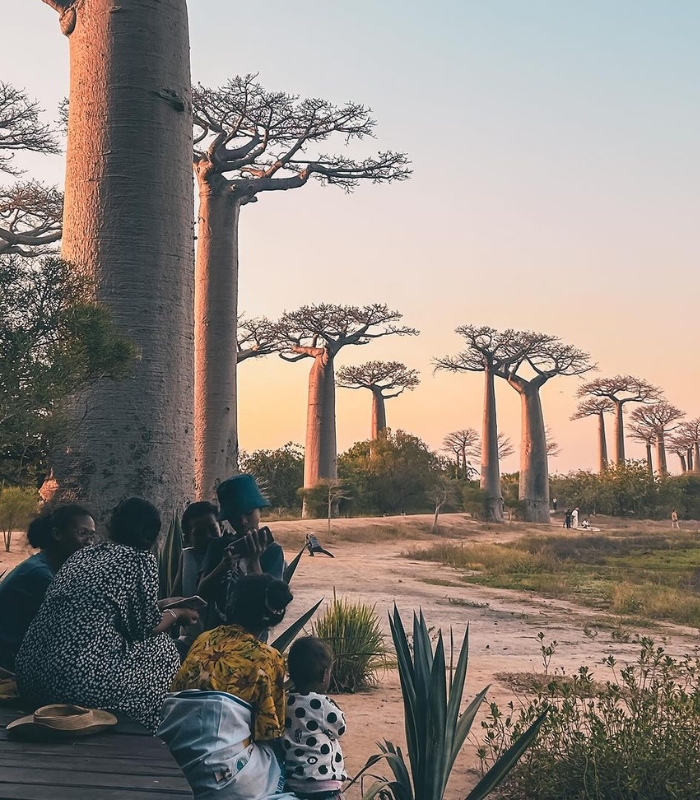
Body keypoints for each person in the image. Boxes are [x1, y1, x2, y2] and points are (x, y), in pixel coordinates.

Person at [15, 497, 198, 732]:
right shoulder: (139, 560)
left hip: (29, 678)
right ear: (152, 534)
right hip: (73, 686)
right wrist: (177, 612)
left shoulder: (83, 555)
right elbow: (143, 628)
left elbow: (106, 610)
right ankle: (145, 721)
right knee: (162, 649)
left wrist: (162, 604)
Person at [159, 573, 296, 800]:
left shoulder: (205, 639)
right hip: (222, 773)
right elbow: (270, 730)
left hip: (179, 756)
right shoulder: (268, 658)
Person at [0, 504, 95, 672]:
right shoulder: (39, 574)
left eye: (92, 535)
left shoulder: (51, 569)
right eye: (82, 533)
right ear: (57, 534)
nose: (89, 541)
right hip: (8, 660)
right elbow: (82, 619)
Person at [198, 475, 285, 628]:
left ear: (260, 511)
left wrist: (254, 561)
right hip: (215, 634)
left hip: (253, 637)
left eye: (249, 512)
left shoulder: (273, 552)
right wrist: (221, 567)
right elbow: (202, 592)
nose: (243, 521)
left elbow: (272, 599)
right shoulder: (218, 546)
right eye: (235, 516)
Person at [284, 637, 347, 800]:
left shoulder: (285, 702)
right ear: (324, 675)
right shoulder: (321, 704)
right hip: (324, 785)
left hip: (294, 783)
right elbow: (340, 728)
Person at [172, 501, 222, 656]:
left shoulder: (228, 558)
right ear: (188, 538)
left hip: (222, 645)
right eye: (199, 533)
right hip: (190, 641)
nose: (209, 537)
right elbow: (175, 597)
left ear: (221, 528)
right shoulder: (187, 557)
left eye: (213, 529)